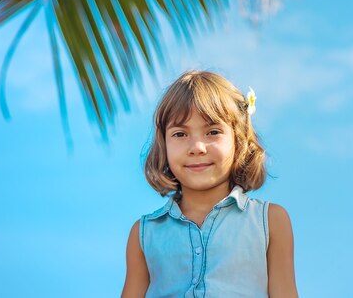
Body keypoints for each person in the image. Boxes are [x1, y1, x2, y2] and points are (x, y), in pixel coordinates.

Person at [121, 70, 297, 298]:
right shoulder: (144, 233)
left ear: (238, 140)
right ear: (163, 144)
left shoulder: (270, 222)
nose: (197, 147)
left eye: (213, 132)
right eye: (180, 134)